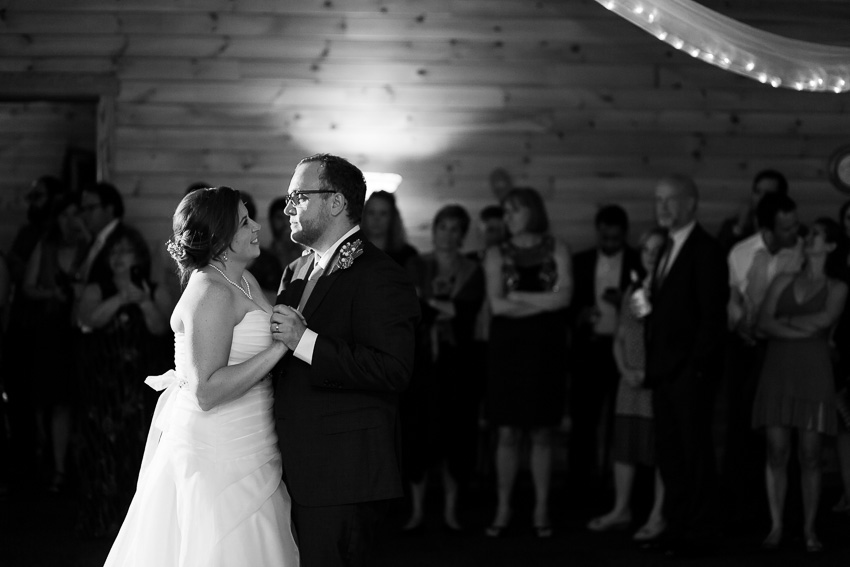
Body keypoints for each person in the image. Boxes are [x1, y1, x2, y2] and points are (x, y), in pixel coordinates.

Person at [102, 187, 299, 565]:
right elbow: (206, 390)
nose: (256, 226)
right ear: (220, 239)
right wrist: (280, 348)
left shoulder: (242, 280)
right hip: (219, 450)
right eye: (244, 221)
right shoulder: (211, 291)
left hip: (251, 441)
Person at [271, 154, 420, 566]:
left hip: (345, 474)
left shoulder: (379, 274)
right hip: (291, 466)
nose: (287, 208)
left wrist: (306, 342)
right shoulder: (295, 271)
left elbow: (394, 369)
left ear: (335, 202)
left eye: (298, 196)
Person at [642, 175, 728, 557]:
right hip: (663, 373)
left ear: (691, 203)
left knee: (694, 455)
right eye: (658, 200)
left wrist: (695, 370)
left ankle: (700, 532)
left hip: (689, 375)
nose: (662, 207)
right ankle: (676, 528)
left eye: (670, 200)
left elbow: (712, 318)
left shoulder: (706, 250)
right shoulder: (665, 249)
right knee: (671, 456)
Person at [752, 217, 848, 553]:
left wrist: (785, 323)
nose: (809, 239)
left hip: (813, 371)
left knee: (810, 454)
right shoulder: (783, 279)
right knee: (777, 450)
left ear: (832, 245)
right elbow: (761, 324)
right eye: (809, 235)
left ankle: (809, 529)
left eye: (817, 235)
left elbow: (825, 321)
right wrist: (800, 330)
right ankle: (776, 525)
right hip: (779, 368)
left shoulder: (838, 287)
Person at [483, 187, 572, 539]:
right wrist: (542, 301)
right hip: (508, 351)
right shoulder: (496, 252)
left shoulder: (558, 248)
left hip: (546, 350)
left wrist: (519, 296)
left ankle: (541, 508)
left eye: (514, 211)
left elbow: (565, 298)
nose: (508, 218)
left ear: (532, 212)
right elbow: (498, 305)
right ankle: (504, 506)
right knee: (506, 432)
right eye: (505, 212)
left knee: (542, 432)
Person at [74, 224, 173, 538]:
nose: (117, 257)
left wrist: (142, 301)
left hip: (140, 389)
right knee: (101, 451)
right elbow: (87, 320)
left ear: (138, 255)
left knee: (139, 451)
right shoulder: (96, 288)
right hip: (103, 386)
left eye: (124, 251)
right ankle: (102, 520)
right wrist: (120, 298)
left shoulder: (154, 287)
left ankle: (139, 525)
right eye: (113, 251)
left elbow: (162, 329)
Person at [720, 192, 802, 528]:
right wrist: (738, 322)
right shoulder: (740, 253)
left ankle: (788, 516)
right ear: (765, 229)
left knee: (786, 433)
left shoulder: (800, 251)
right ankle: (743, 512)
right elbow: (731, 301)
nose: (794, 232)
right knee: (744, 428)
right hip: (748, 351)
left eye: (795, 224)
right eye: (786, 228)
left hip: (787, 348)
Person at [401, 204, 485, 533]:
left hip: (458, 367)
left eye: (455, 229)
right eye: (442, 227)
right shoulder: (416, 264)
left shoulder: (472, 270)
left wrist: (434, 306)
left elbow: (467, 311)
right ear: (433, 230)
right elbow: (413, 308)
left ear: (462, 235)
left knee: (456, 437)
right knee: (418, 437)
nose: (447, 235)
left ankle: (451, 511)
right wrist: (442, 308)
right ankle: (418, 510)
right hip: (421, 366)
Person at [587, 228, 666, 541]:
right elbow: (620, 337)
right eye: (646, 249)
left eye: (657, 250)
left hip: (656, 380)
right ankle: (621, 509)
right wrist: (623, 369)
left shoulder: (670, 291)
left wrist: (649, 373)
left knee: (659, 449)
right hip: (629, 380)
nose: (650, 255)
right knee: (625, 447)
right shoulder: (633, 287)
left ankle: (659, 514)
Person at [569, 204, 641, 495]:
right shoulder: (580, 261)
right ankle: (578, 489)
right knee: (583, 422)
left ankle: (621, 491)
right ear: (597, 233)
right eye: (605, 238)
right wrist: (580, 315)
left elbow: (649, 310)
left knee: (623, 423)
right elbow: (566, 303)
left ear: (625, 235)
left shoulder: (638, 262)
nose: (610, 244)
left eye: (615, 239)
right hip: (590, 348)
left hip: (625, 352)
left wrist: (622, 303)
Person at [22, 194, 88, 493]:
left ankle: (79, 463)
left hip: (82, 331)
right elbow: (27, 287)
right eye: (64, 215)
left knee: (78, 398)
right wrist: (51, 295)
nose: (69, 221)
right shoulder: (45, 247)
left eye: (75, 214)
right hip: (51, 331)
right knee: (54, 400)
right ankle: (57, 466)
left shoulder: (89, 247)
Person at [716, 169, 789, 253]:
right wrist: (740, 227)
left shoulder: (793, 229)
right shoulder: (730, 227)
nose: (761, 198)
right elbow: (719, 257)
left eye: (768, 194)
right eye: (757, 192)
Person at [241, 191, 283, 303]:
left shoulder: (268, 262)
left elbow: (278, 301)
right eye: (244, 223)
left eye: (252, 220)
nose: (256, 227)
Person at [268, 196, 305, 269]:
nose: (286, 223)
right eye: (280, 218)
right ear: (271, 220)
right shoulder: (264, 258)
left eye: (289, 217)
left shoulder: (307, 256)